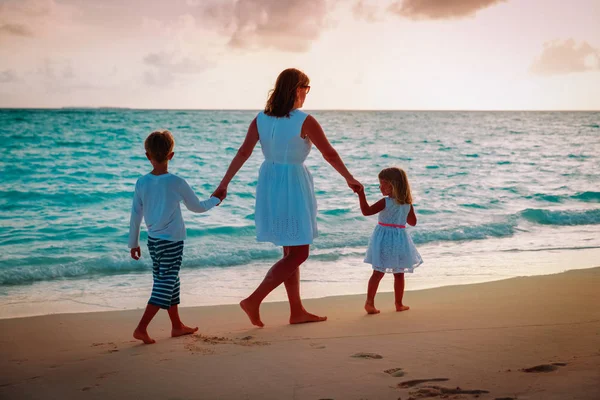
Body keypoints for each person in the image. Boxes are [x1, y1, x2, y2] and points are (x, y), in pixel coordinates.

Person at [212, 68, 363, 327]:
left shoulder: (261, 118)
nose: (307, 93)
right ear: (297, 89)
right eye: (306, 88)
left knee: (290, 249)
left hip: (269, 182)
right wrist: (350, 178)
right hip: (292, 183)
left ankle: (296, 311)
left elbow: (243, 153)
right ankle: (253, 300)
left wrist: (224, 183)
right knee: (299, 252)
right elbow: (330, 154)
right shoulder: (304, 120)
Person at [128, 130, 222, 344]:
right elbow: (197, 207)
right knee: (165, 282)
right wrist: (215, 199)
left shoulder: (142, 182)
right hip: (172, 242)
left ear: (147, 155)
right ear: (171, 155)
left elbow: (135, 215)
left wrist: (133, 243)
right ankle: (141, 328)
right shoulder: (177, 182)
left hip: (153, 242)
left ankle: (177, 326)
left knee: (171, 281)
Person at [356, 167, 422, 314]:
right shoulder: (407, 204)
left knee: (379, 272)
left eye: (383, 184)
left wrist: (361, 194)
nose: (380, 187)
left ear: (393, 185)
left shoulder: (386, 202)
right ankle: (398, 304)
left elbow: (366, 211)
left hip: (384, 237)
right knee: (398, 273)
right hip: (400, 238)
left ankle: (370, 303)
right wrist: (403, 213)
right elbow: (413, 222)